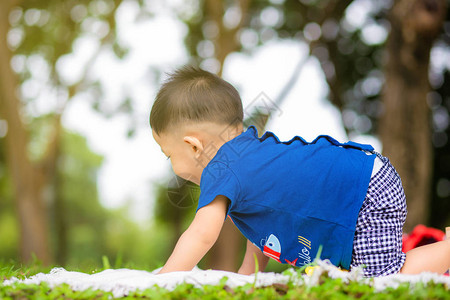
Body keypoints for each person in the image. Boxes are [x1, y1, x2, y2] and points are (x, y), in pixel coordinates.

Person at [150, 66, 450, 277]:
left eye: (168, 156)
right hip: (364, 180)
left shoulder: (221, 167)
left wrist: (163, 279)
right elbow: (266, 218)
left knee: (384, 277)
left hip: (362, 190)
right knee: (359, 274)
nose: (174, 168)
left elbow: (201, 234)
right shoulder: (248, 156)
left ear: (193, 146)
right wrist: (249, 272)